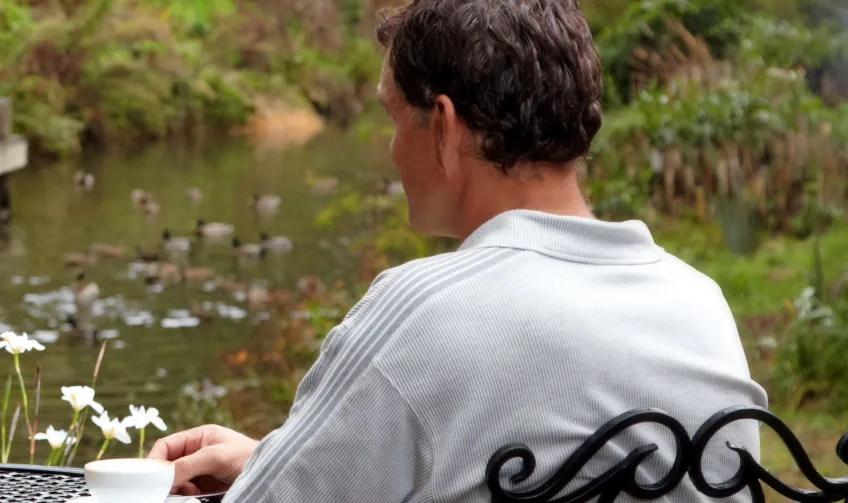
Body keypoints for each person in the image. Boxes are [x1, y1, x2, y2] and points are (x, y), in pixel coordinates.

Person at [147, 0, 767, 501]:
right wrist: (274, 457)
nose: (392, 150)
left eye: (395, 119)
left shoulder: (422, 308)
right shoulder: (698, 301)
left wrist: (263, 479)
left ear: (443, 126)